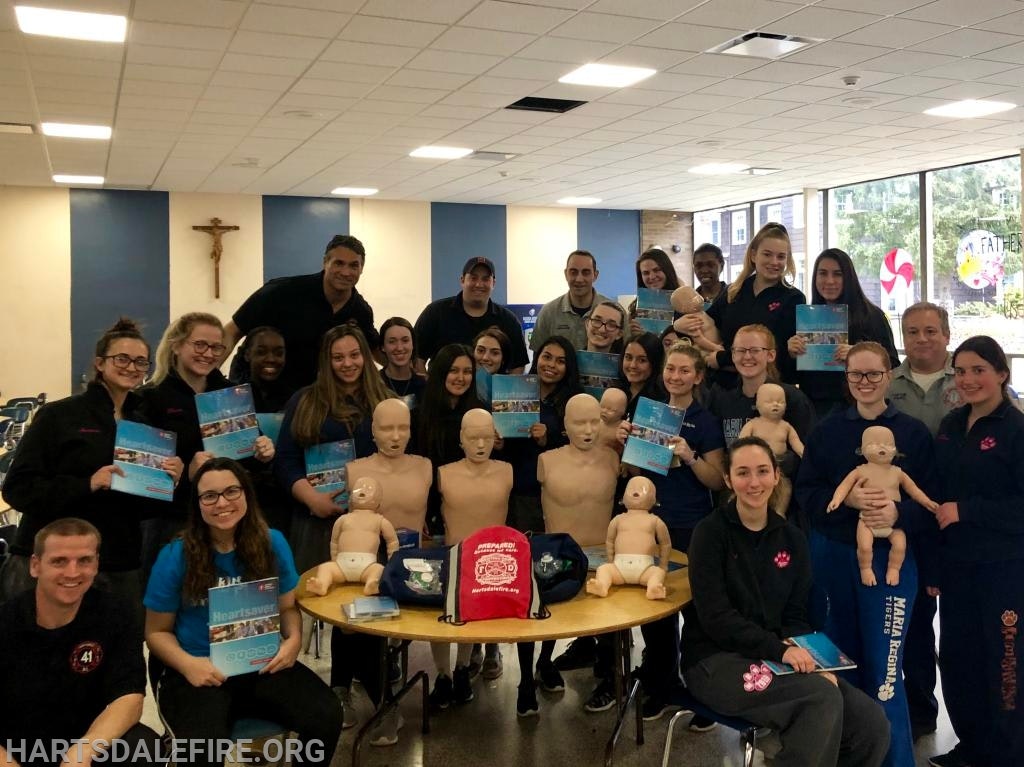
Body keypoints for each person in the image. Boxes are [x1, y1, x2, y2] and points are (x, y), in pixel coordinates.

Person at [682, 437, 891, 767]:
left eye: (763, 471)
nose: (754, 482)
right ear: (727, 480)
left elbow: (797, 613)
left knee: (871, 722)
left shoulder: (791, 537)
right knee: (819, 700)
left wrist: (809, 661)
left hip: (778, 654)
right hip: (716, 661)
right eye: (743, 473)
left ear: (777, 475)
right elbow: (716, 618)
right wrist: (781, 652)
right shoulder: (709, 534)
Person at [144, 458, 342, 767]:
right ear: (197, 505)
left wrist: (292, 642)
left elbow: (287, 608)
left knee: (326, 714)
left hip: (259, 662)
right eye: (210, 496)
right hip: (198, 667)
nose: (222, 502)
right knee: (204, 748)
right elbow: (155, 632)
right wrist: (188, 665)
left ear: (246, 495)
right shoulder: (175, 556)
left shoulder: (272, 542)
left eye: (232, 491)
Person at [795, 341, 938, 767]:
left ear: (889, 375)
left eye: (874, 374)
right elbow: (807, 492)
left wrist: (899, 512)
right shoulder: (826, 430)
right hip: (835, 554)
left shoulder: (912, 433)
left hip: (890, 562)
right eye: (856, 375)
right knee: (838, 661)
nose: (865, 382)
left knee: (885, 668)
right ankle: (847, 753)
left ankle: (895, 759)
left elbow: (931, 501)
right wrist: (850, 503)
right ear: (847, 379)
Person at [0, 318, 182, 607]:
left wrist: (167, 481)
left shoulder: (144, 426)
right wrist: (88, 484)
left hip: (117, 563)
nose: (131, 367)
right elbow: (18, 489)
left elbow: (142, 509)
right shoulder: (59, 416)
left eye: (140, 362)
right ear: (100, 363)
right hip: (55, 563)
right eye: (122, 358)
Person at [274, 324, 393, 729]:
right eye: (338, 357)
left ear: (366, 356)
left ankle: (372, 687)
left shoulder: (384, 400)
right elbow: (286, 460)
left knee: (369, 604)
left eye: (354, 355)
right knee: (332, 604)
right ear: (326, 360)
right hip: (318, 521)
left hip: (371, 526)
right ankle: (339, 687)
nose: (347, 364)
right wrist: (312, 498)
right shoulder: (304, 401)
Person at [617, 342, 726, 722]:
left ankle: (705, 692)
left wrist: (690, 455)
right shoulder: (650, 414)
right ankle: (663, 686)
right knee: (656, 608)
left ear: (697, 377)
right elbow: (633, 473)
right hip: (649, 523)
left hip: (690, 523)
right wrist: (625, 445)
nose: (675, 376)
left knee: (697, 612)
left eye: (684, 370)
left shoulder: (705, 421)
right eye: (670, 369)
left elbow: (716, 479)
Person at [930, 336, 1024, 767]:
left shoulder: (1016, 429)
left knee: (1003, 661)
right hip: (957, 567)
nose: (968, 380)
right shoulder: (951, 426)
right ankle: (972, 745)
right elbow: (935, 496)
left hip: (1003, 568)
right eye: (961, 371)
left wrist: (967, 511)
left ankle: (1007, 752)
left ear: (1001, 374)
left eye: (978, 370)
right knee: (958, 658)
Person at [0, 519, 162, 767]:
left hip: (81, 743)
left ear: (96, 564)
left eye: (84, 560)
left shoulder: (116, 614)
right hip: (12, 746)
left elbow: (129, 698)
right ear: (35, 565)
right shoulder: (6, 621)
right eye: (59, 561)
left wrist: (83, 753)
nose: (73, 572)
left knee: (144, 746)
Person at [137, 313, 275, 578]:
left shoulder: (231, 395)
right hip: (175, 520)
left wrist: (262, 451)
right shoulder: (149, 398)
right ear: (177, 345)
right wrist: (187, 472)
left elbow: (248, 458)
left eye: (216, 347)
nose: (208, 354)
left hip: (228, 519)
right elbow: (142, 480)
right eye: (200, 344)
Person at [885, 302, 959, 740]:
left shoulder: (966, 376)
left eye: (931, 330)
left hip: (957, 513)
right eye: (912, 332)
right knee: (911, 618)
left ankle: (967, 715)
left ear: (946, 334)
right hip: (907, 514)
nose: (922, 339)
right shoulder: (888, 383)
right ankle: (918, 708)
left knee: (958, 624)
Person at [223, 234, 380, 392]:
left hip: (310, 395)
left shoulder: (361, 311)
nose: (346, 272)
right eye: (339, 263)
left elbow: (374, 350)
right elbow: (231, 331)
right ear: (325, 262)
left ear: (361, 268)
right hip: (254, 387)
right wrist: (207, 376)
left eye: (353, 265)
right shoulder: (280, 292)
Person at [787, 249, 900, 417]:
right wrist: (792, 353)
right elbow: (793, 376)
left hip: (859, 409)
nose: (829, 281)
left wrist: (858, 356)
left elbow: (892, 363)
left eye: (838, 274)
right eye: (823, 273)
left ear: (848, 277)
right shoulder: (806, 318)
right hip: (814, 409)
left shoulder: (872, 316)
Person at [704, 223, 806, 388]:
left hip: (768, 389)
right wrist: (680, 324)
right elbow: (708, 323)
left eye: (781, 257)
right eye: (767, 254)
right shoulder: (733, 291)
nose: (774, 262)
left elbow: (778, 351)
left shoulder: (793, 298)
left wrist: (723, 358)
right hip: (725, 387)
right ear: (753, 255)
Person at [504, 335, 581, 535]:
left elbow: (579, 448)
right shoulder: (515, 392)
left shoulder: (573, 402)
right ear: (537, 358)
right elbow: (507, 446)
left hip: (556, 493)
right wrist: (498, 442)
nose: (551, 365)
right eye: (546, 357)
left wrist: (548, 440)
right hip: (518, 491)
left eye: (560, 361)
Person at [413, 257, 528, 372]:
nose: (479, 284)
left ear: (493, 283)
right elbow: (417, 357)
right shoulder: (436, 312)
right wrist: (429, 387)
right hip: (442, 390)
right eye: (473, 278)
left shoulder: (508, 320)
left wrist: (506, 390)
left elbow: (518, 365)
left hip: (494, 390)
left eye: (485, 279)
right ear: (462, 280)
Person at [531, 250, 612, 351]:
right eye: (573, 272)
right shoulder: (548, 312)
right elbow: (538, 358)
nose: (579, 279)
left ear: (595, 275)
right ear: (566, 274)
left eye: (585, 273)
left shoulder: (613, 312)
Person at [628, 248, 682, 338]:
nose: (652, 276)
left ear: (667, 270)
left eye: (656, 270)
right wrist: (632, 335)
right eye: (646, 273)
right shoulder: (635, 309)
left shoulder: (683, 304)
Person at [378, 317, 426, 411]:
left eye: (405, 340)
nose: (399, 348)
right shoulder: (373, 384)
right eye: (392, 342)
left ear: (413, 344)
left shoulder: (425, 386)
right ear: (383, 347)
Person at [244, 326, 289, 413]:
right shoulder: (233, 398)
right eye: (261, 352)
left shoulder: (296, 401)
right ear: (247, 355)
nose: (271, 359)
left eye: (279, 353)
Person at [620, 332, 665, 418]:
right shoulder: (615, 390)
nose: (633, 365)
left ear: (655, 363)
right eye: (628, 357)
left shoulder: (661, 401)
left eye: (642, 360)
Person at [692, 243, 727, 309]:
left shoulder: (733, 298)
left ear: (721, 266)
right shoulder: (689, 302)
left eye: (710, 265)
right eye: (698, 266)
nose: (704, 270)